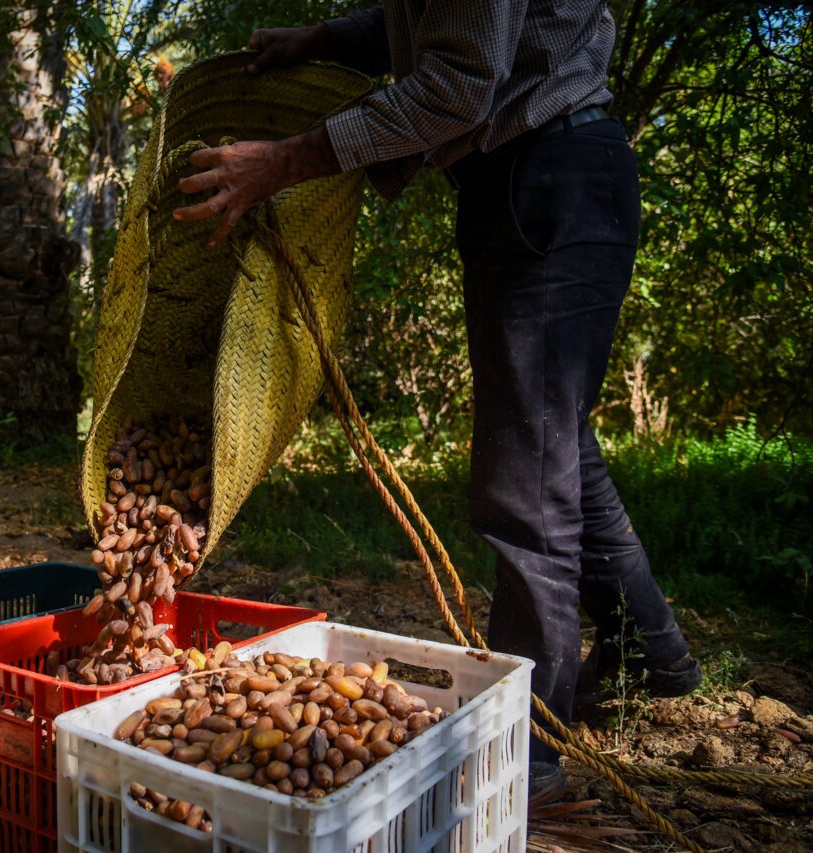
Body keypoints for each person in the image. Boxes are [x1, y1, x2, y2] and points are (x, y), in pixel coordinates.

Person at [174, 2, 703, 793]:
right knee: (554, 444)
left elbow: (458, 81)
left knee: (525, 483)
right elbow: (425, 19)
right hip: (536, 180)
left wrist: (283, 161)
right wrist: (324, 40)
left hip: (549, 177)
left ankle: (533, 750)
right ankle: (651, 649)